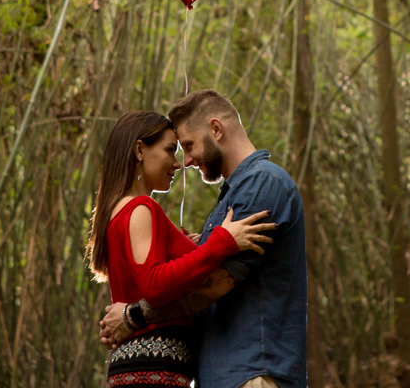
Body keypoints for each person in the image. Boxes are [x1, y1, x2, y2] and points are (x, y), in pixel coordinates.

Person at [100, 90, 308, 388]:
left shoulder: (261, 184)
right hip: (224, 374)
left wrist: (133, 316)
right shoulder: (231, 198)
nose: (185, 161)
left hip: (253, 372)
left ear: (215, 129)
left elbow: (217, 283)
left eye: (187, 145)